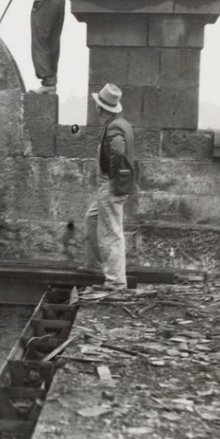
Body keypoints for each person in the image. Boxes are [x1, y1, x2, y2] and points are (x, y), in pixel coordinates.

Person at [84, 83, 137, 291]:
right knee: (91, 219)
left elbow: (118, 151)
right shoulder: (120, 123)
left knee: (111, 233)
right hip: (110, 184)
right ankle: (93, 266)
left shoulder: (114, 128)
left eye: (96, 106)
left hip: (110, 184)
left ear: (100, 108)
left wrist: (114, 181)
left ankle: (115, 282)